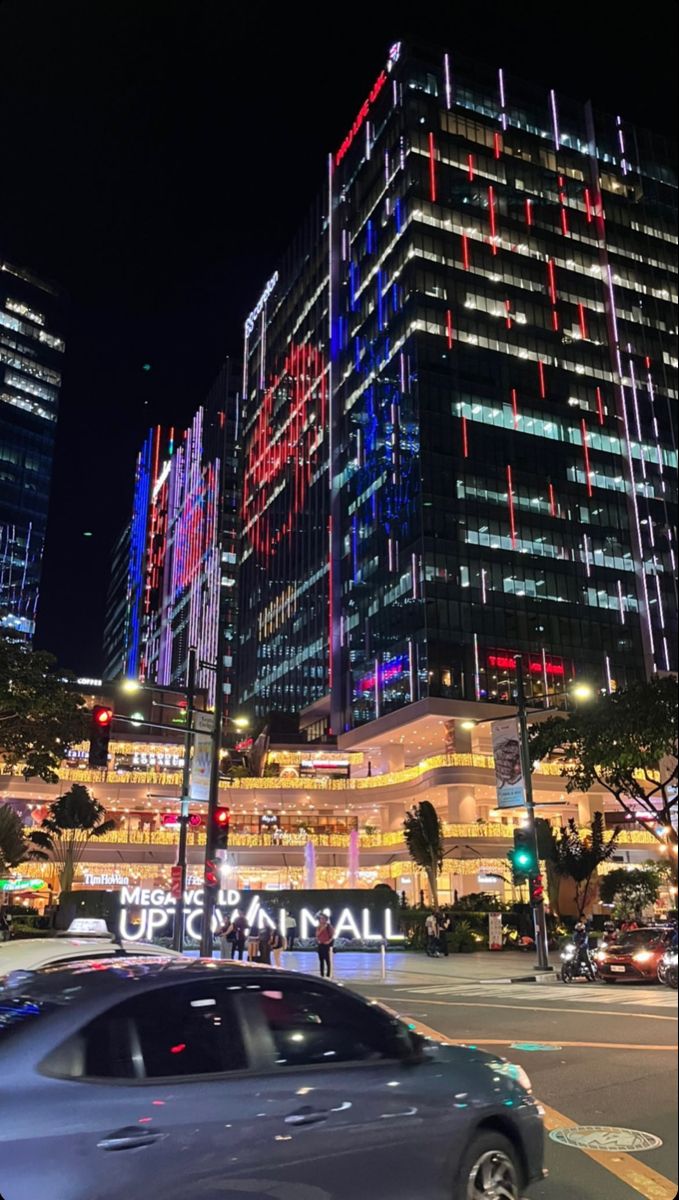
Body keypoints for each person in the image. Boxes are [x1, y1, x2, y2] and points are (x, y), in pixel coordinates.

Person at [316, 912, 335, 977]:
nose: (321, 920)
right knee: (321, 960)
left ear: (326, 919)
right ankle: (322, 974)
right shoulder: (319, 926)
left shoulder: (329, 926)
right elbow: (317, 934)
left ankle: (328, 974)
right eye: (320, 919)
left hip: (326, 945)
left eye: (322, 919)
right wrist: (322, 929)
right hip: (320, 944)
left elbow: (332, 936)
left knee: (327, 960)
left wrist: (328, 942)